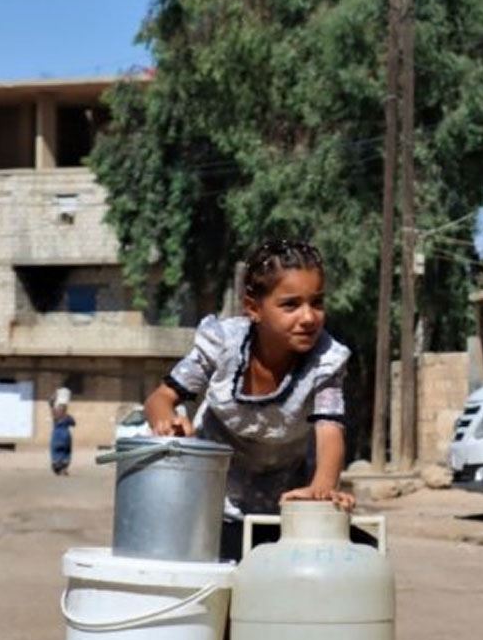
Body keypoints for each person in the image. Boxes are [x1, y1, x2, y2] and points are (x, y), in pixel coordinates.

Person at [142, 238, 363, 560]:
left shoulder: (326, 361)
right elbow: (161, 398)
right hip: (213, 498)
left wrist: (323, 488)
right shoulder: (222, 344)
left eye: (317, 303)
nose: (308, 317)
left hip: (287, 501)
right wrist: (167, 421)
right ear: (253, 308)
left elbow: (330, 430)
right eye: (291, 305)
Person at [50, 404, 76, 475]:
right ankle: (64, 468)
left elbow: (52, 409)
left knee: (55, 452)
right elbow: (73, 423)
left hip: (56, 436)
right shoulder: (67, 417)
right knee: (66, 453)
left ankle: (56, 465)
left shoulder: (55, 416)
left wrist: (52, 403)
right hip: (65, 436)